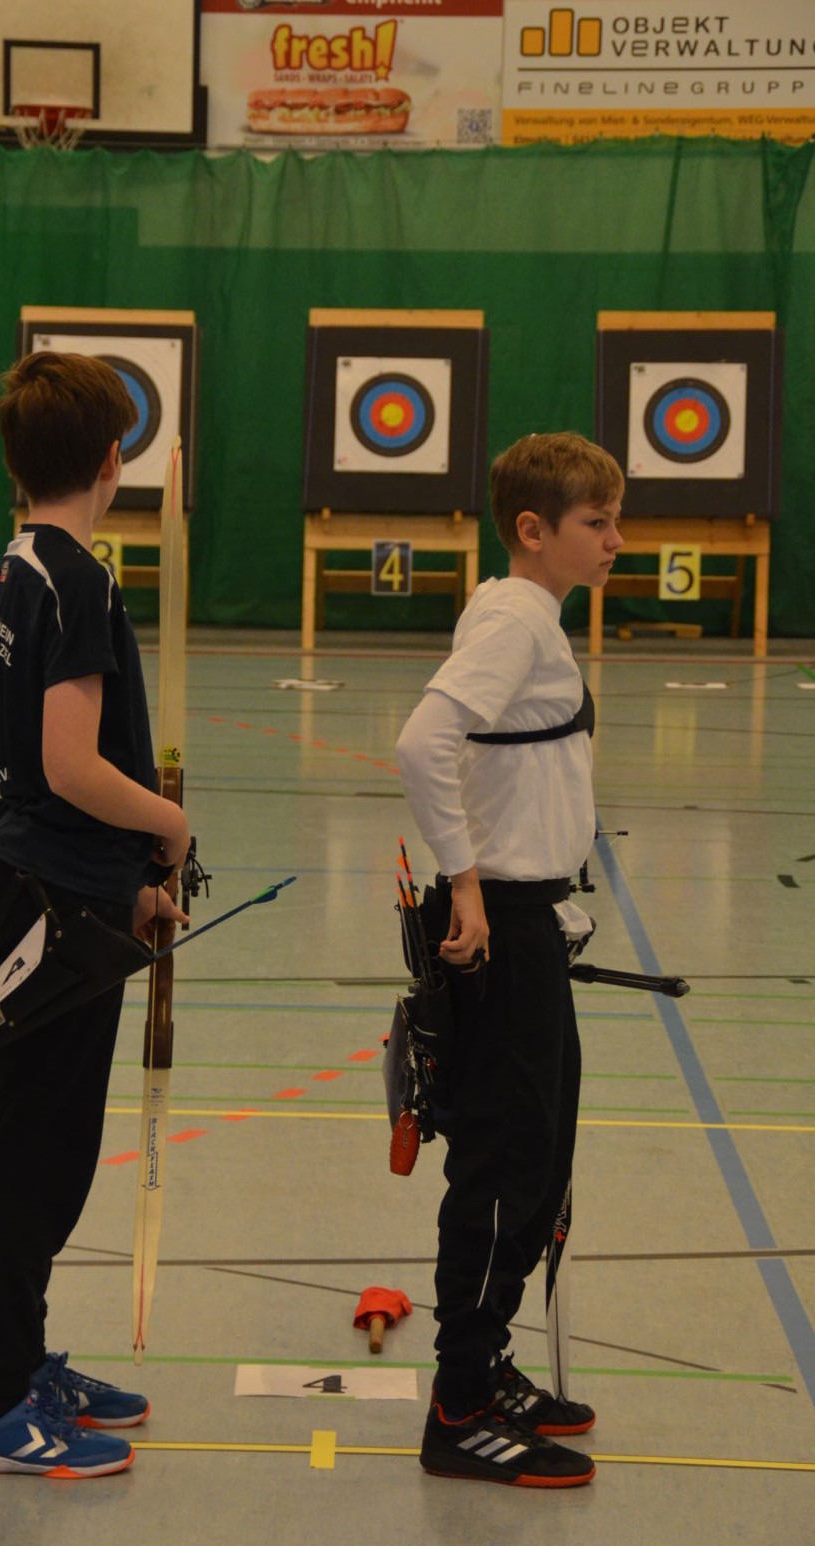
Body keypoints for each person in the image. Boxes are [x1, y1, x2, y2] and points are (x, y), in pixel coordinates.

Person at [0, 351, 191, 1479]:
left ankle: (21, 1361)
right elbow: (68, 765)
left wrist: (126, 880)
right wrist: (167, 826)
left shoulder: (19, 564)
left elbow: (48, 781)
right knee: (35, 1152)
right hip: (52, 893)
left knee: (49, 1143)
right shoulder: (74, 578)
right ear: (111, 458)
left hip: (56, 884)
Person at [394, 431, 624, 1489]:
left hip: (530, 922)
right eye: (596, 523)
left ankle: (485, 1365)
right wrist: (470, 882)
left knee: (540, 1156)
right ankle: (459, 1408)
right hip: (498, 931)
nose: (615, 540)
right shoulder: (513, 619)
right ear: (533, 530)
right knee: (502, 1162)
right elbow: (422, 742)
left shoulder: (526, 612)